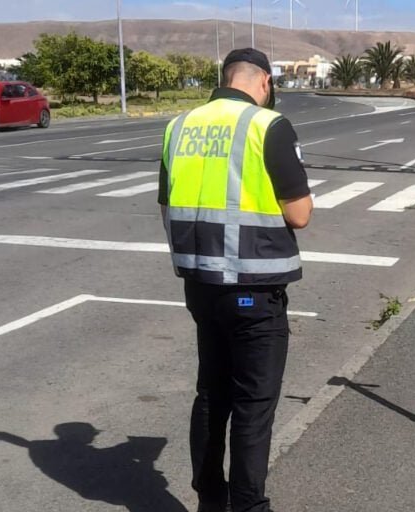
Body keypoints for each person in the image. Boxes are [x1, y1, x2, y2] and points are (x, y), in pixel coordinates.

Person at [158, 48, 313, 512]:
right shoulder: (268, 126)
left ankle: (210, 499)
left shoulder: (178, 126)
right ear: (263, 82)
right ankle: (249, 506)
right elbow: (299, 214)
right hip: (254, 290)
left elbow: (167, 206)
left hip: (201, 287)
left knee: (211, 395)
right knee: (253, 405)